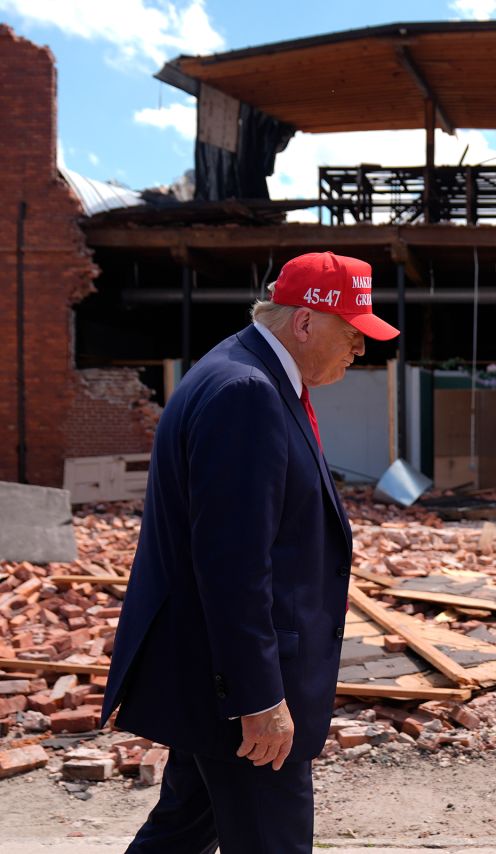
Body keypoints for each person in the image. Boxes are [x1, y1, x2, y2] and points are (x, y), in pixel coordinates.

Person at [101, 252, 400, 853]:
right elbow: (233, 564)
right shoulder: (247, 392)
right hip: (242, 687)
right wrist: (259, 697)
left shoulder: (237, 371)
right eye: (352, 333)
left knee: (182, 830)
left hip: (210, 672)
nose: (360, 349)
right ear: (307, 323)